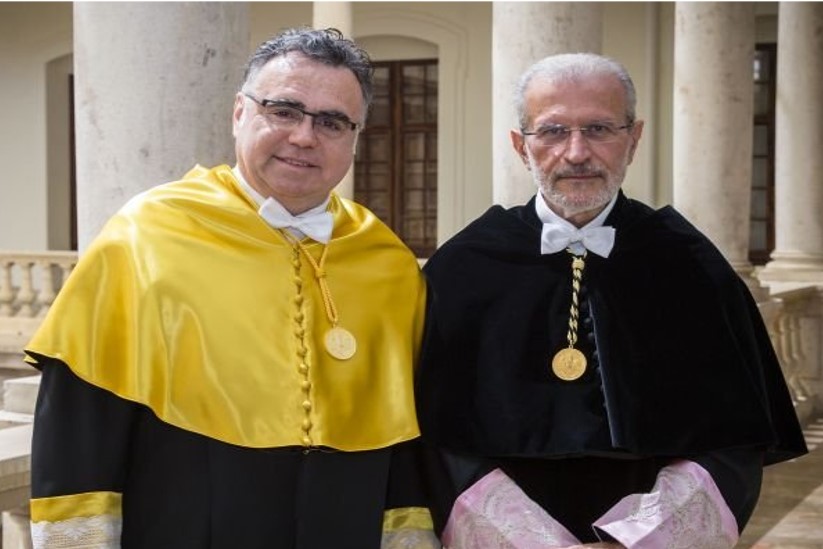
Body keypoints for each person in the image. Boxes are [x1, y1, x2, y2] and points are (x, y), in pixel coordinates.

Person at [26, 27, 438, 549]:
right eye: (284, 111)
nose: (305, 137)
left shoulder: (388, 262)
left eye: (332, 122)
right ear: (240, 113)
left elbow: (405, 446)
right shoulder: (145, 238)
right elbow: (80, 430)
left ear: (354, 139)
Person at [416, 52, 807, 548]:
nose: (577, 152)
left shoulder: (688, 263)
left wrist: (634, 540)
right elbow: (435, 437)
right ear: (521, 146)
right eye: (553, 131)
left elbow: (734, 440)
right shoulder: (466, 265)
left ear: (634, 138)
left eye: (599, 129)